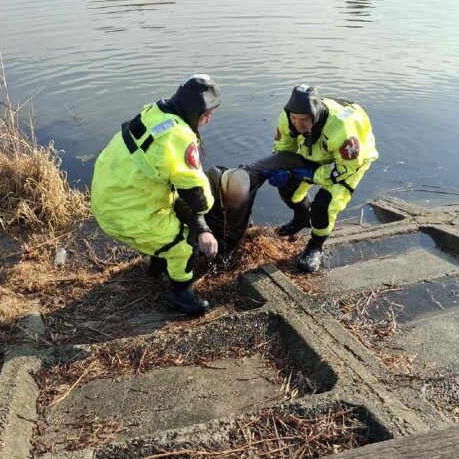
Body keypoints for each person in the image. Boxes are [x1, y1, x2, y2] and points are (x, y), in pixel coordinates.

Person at [90, 74, 221, 316]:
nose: (209, 119)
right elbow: (197, 196)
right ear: (195, 112)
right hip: (124, 212)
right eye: (206, 114)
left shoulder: (154, 112)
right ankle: (180, 294)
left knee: (170, 209)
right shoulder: (179, 136)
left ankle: (157, 264)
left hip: (109, 196)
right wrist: (204, 222)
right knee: (184, 243)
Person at [245, 84, 378, 273]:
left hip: (349, 163)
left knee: (323, 205)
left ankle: (316, 245)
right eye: (295, 119)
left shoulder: (343, 128)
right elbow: (284, 148)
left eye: (304, 120)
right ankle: (301, 219)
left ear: (315, 115)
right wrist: (283, 170)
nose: (298, 125)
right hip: (315, 154)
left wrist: (311, 175)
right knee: (289, 190)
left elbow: (346, 167)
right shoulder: (287, 118)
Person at [176, 166, 252, 261]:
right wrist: (203, 231)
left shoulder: (249, 178)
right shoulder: (203, 188)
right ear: (222, 190)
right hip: (202, 221)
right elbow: (184, 206)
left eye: (239, 201)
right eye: (232, 200)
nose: (236, 206)